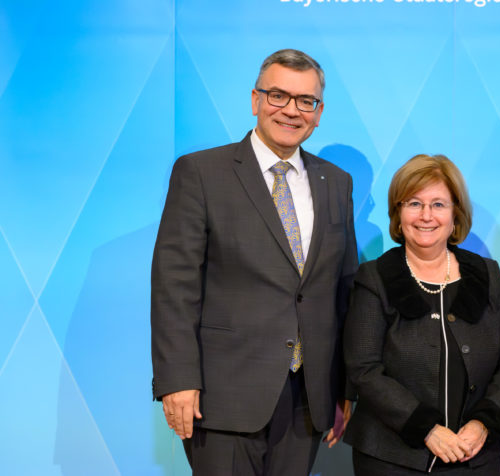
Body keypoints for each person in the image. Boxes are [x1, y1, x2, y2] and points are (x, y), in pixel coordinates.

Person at [151, 48, 357, 475]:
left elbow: (344, 291)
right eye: (278, 95)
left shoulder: (335, 182)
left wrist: (344, 387)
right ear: (255, 100)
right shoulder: (202, 172)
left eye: (306, 101)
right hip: (222, 397)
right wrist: (178, 380)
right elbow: (174, 286)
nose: (291, 111)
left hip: (308, 398)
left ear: (319, 113)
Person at [343, 154, 500, 475]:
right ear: (398, 213)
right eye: (414, 203)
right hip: (391, 458)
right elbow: (364, 369)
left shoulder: (486, 274)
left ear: (455, 214)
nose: (426, 215)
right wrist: (427, 429)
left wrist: (483, 422)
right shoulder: (375, 277)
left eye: (438, 205)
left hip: (474, 455)